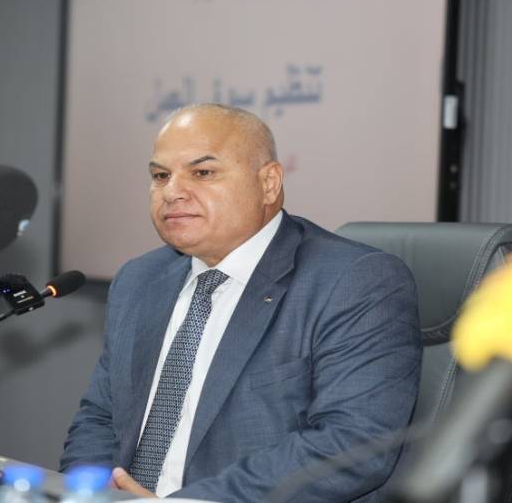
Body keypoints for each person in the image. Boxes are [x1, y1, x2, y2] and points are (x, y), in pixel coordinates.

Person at [60, 104, 421, 502]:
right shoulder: (139, 279)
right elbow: (100, 417)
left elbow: (350, 444)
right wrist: (88, 493)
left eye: (203, 172)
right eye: (160, 176)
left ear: (269, 183)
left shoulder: (353, 281)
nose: (172, 192)